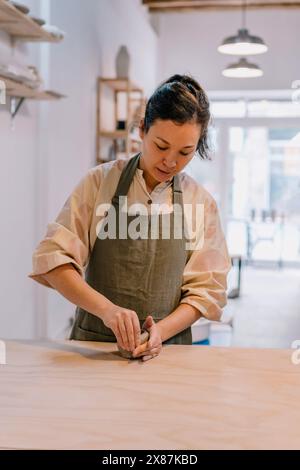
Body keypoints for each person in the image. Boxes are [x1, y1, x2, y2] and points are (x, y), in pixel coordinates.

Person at [29, 74, 231, 362]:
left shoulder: (200, 202)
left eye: (185, 152)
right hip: (95, 348)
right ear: (142, 129)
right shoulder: (100, 183)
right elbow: (53, 260)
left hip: (167, 351)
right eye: (161, 146)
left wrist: (160, 331)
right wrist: (107, 311)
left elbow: (206, 291)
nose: (171, 161)